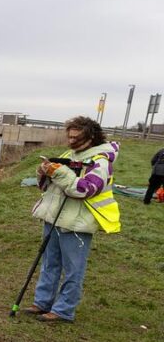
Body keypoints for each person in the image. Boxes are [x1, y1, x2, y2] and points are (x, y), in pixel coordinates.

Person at [24, 116, 120, 323]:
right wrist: (44, 173)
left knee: (73, 269)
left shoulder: (101, 161)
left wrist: (59, 172)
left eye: (76, 138)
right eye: (69, 137)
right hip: (54, 218)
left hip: (77, 223)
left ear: (91, 136)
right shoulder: (69, 154)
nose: (71, 142)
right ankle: (42, 303)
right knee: (49, 263)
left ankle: (63, 311)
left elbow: (86, 189)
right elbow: (47, 186)